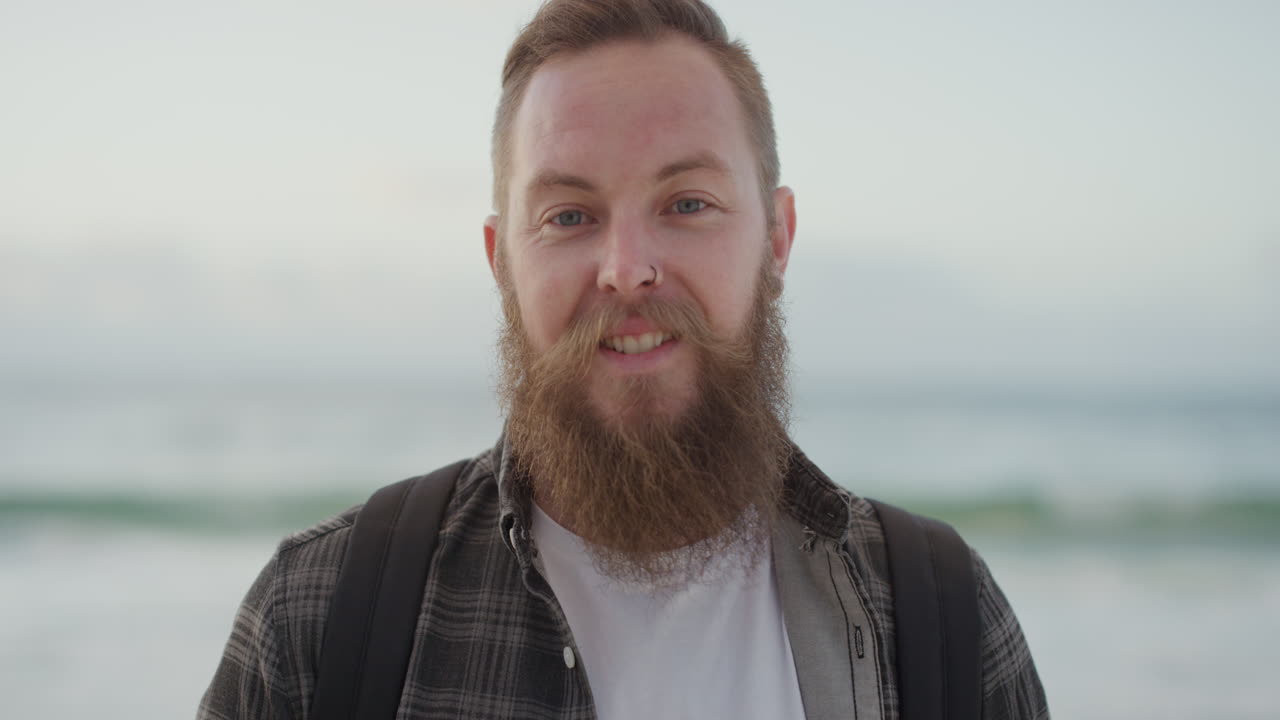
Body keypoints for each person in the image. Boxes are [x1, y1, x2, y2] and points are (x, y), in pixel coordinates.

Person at [199, 1, 1048, 718]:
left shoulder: (941, 622)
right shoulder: (320, 617)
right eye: (569, 216)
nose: (627, 268)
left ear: (777, 239)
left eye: (688, 203)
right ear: (501, 261)